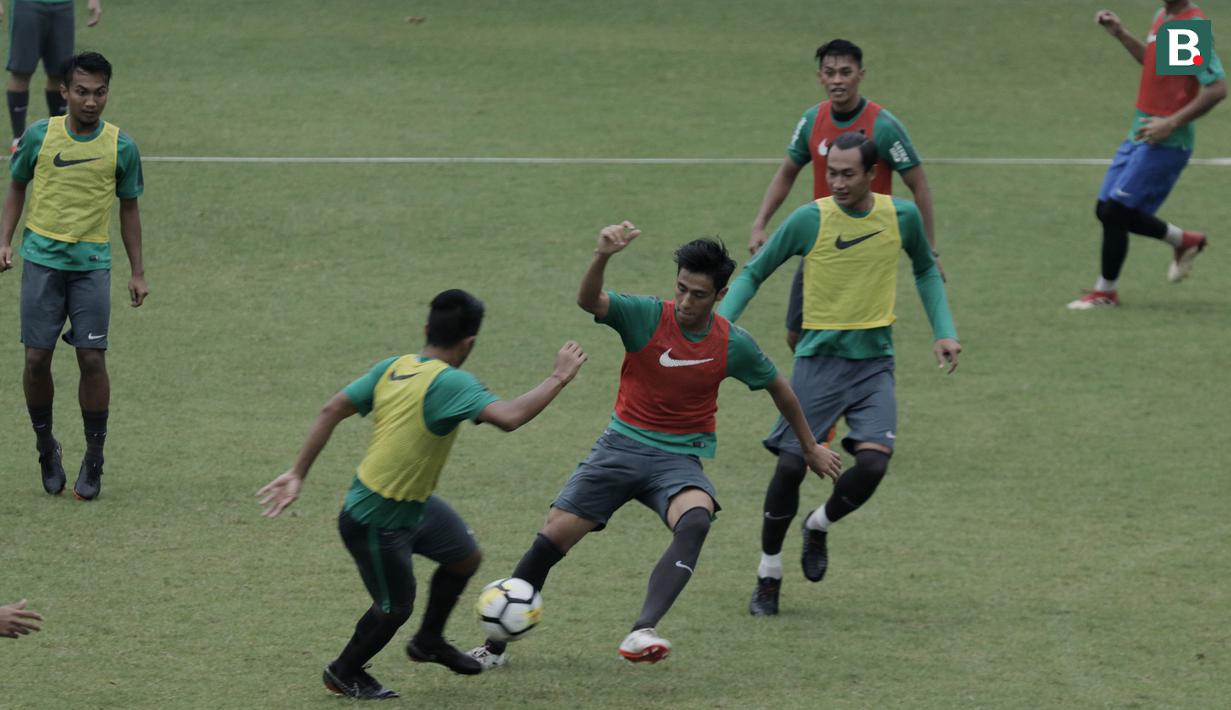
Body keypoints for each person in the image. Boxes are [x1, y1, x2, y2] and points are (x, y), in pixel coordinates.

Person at [468, 227, 842, 668]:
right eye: (681, 288)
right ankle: (493, 649)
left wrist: (810, 446)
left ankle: (642, 630)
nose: (685, 301)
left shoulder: (732, 343)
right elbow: (589, 301)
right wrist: (602, 255)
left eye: (698, 295)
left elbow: (780, 388)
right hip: (620, 447)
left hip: (677, 460)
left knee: (697, 518)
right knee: (553, 537)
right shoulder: (645, 316)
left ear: (720, 295)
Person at [257, 289, 587, 700]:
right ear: (469, 343)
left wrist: (297, 473)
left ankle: (428, 641)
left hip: (413, 505)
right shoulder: (452, 383)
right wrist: (559, 376)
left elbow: (331, 409)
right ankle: (344, 671)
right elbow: (510, 417)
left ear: (427, 328)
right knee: (394, 607)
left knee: (465, 558)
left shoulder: (394, 366)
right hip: (374, 519)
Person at [718, 132, 961, 616]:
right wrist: (719, 327)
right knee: (790, 466)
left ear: (872, 174)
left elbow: (925, 269)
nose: (838, 182)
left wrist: (944, 331)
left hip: (874, 364)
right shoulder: (810, 219)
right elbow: (753, 272)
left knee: (873, 464)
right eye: (832, 173)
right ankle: (769, 572)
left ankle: (819, 524)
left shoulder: (901, 217)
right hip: (818, 363)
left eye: (849, 174)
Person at [0, 51, 146, 501]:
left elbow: (129, 208)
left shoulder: (122, 146)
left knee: (92, 360)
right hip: (42, 263)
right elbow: (17, 186)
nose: (91, 101)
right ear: (64, 92)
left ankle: (94, 457)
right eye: (81, 91)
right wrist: (4, 240)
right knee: (35, 360)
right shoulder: (40, 136)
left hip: (91, 267)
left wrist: (138, 272)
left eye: (99, 92)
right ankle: (46, 446)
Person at [749, 38, 941, 351]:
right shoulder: (812, 121)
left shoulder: (883, 126)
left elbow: (919, 185)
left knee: (851, 333)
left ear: (860, 75)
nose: (837, 80)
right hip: (822, 239)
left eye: (845, 72)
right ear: (820, 77)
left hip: (869, 241)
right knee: (796, 334)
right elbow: (786, 173)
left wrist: (931, 250)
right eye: (830, 72)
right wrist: (760, 224)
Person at [1068, 1, 1225, 309]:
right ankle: (1185, 241)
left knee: (1116, 212)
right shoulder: (1165, 17)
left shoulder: (1188, 26)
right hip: (1141, 133)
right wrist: (1121, 34)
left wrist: (1171, 123)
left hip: (1167, 142)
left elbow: (1216, 89)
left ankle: (1105, 293)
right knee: (1106, 209)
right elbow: (1159, 65)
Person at [1, 0, 103, 151]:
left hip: (63, 5)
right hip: (27, 5)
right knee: (21, 71)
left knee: (60, 73)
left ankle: (58, 135)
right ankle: (19, 138)